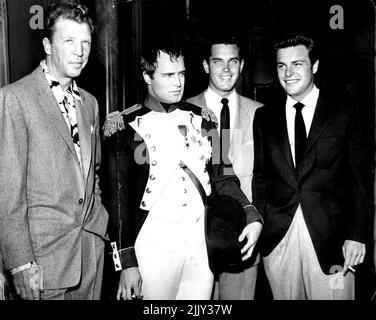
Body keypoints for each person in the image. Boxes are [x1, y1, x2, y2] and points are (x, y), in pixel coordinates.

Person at [104, 42, 262, 300]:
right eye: (168, 75)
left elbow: (225, 175)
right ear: (147, 76)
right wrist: (127, 262)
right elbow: (118, 203)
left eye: (181, 74)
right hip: (153, 247)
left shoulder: (207, 119)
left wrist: (251, 215)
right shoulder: (122, 126)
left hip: (200, 246)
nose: (177, 82)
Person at [252, 33, 373, 300]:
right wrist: (260, 225)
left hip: (334, 241)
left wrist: (357, 235)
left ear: (314, 66)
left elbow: (360, 179)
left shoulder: (345, 110)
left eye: (297, 64)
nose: (288, 73)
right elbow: (260, 179)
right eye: (282, 66)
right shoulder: (264, 117)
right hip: (279, 239)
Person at [0, 2, 108, 300]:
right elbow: (8, 192)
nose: (79, 52)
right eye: (69, 41)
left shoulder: (90, 103)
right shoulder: (15, 98)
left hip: (89, 254)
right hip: (42, 265)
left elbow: (92, 175)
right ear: (48, 44)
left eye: (85, 43)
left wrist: (98, 230)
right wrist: (20, 262)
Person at [187, 35, 263, 300]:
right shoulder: (184, 111)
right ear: (206, 66)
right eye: (218, 61)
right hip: (193, 239)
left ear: (241, 66)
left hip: (243, 237)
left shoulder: (260, 114)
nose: (226, 69)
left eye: (233, 61)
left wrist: (257, 220)